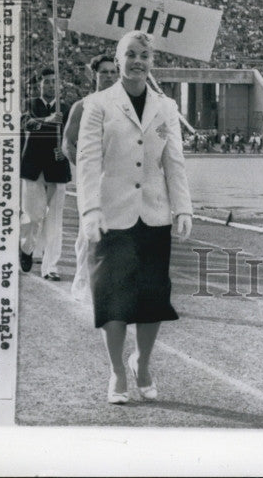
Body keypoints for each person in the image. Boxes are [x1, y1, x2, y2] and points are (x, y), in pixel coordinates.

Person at [77, 31, 193, 404]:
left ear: (152, 61)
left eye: (144, 55)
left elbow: (173, 161)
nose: (137, 61)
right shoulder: (98, 104)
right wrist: (90, 210)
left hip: (154, 216)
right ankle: (116, 372)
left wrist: (183, 207)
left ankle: (142, 362)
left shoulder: (167, 106)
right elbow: (88, 161)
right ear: (118, 57)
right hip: (111, 216)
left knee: (151, 299)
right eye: (130, 54)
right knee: (111, 297)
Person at [61, 53, 119, 302]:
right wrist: (83, 166)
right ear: (93, 75)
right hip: (91, 179)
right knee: (89, 233)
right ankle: (82, 284)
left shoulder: (124, 106)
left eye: (113, 72)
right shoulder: (82, 106)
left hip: (117, 179)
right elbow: (67, 142)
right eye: (103, 72)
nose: (108, 76)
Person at [20, 68, 72, 281]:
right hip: (33, 168)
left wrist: (66, 149)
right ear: (40, 85)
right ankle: (27, 248)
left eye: (54, 82)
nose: (51, 85)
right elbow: (26, 123)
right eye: (47, 82)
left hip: (57, 168)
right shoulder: (31, 104)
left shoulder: (66, 108)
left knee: (55, 220)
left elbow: (72, 136)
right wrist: (48, 120)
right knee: (34, 216)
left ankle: (50, 267)